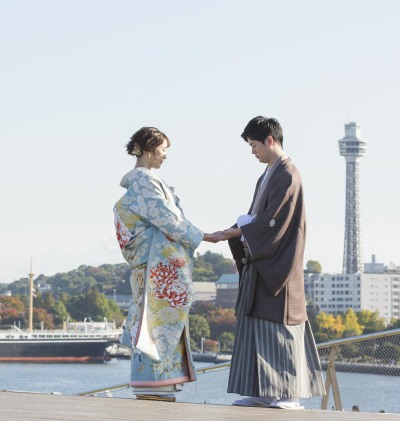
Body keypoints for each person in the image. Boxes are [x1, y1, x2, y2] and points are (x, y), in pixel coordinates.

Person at [214, 116, 324, 410]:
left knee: (280, 329)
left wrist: (240, 231)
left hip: (278, 265)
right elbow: (259, 219)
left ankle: (289, 394)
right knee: (256, 327)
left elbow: (274, 222)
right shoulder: (267, 175)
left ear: (270, 140)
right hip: (261, 263)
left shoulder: (288, 173)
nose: (252, 151)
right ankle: (264, 391)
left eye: (254, 145)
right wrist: (235, 231)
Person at [113, 126, 220, 401]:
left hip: (148, 265)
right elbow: (168, 219)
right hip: (154, 267)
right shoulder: (144, 182)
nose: (164, 156)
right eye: (162, 150)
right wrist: (203, 236)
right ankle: (155, 382)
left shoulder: (141, 183)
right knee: (156, 323)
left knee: (151, 321)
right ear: (148, 150)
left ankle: (156, 382)